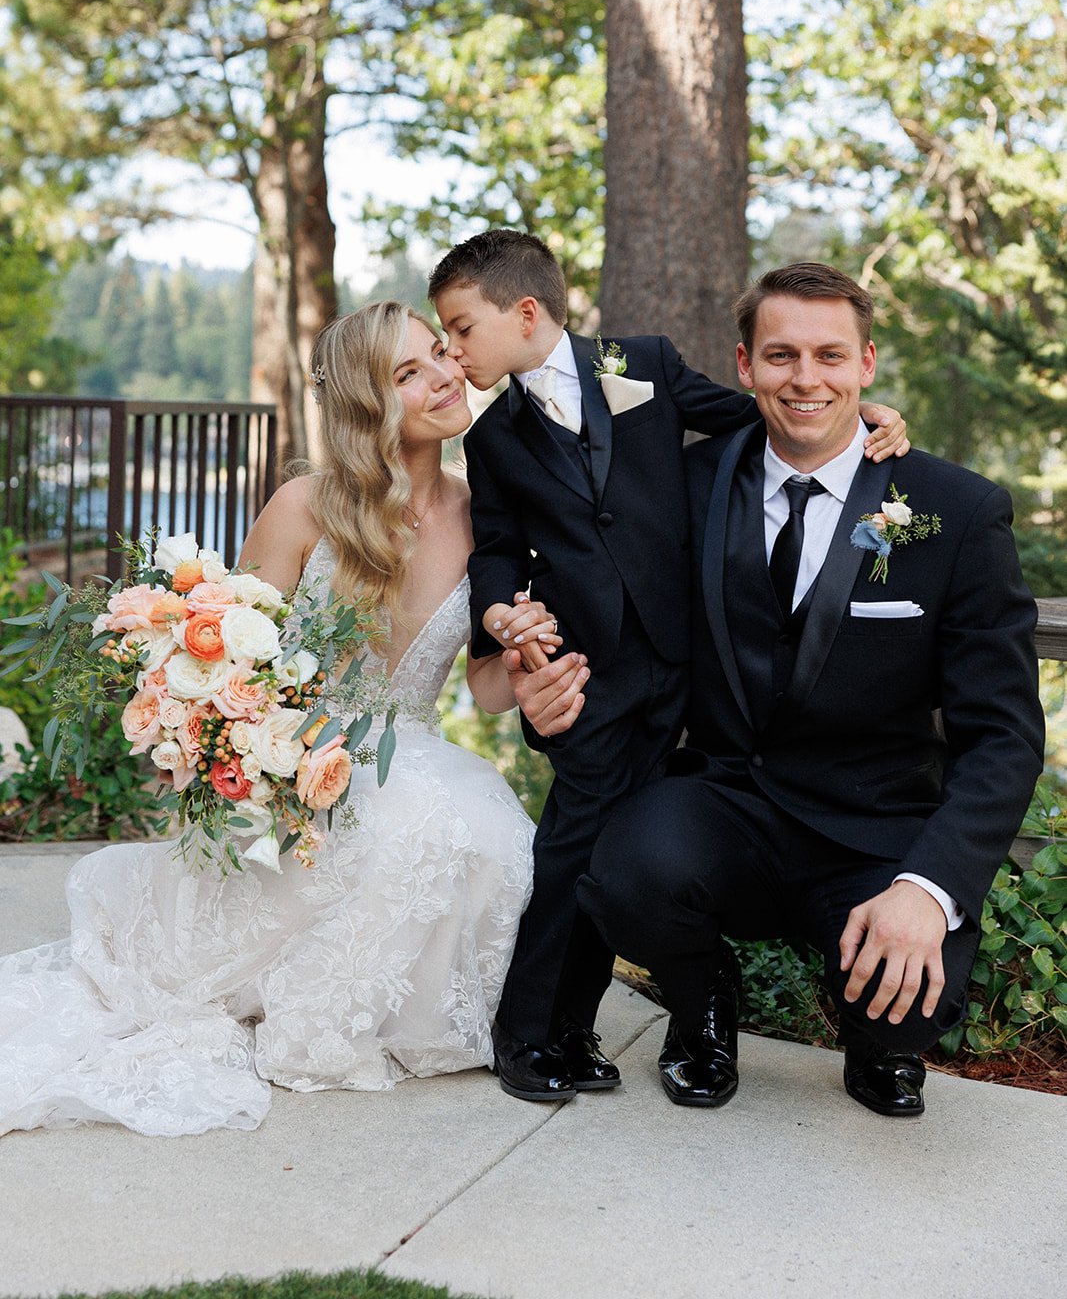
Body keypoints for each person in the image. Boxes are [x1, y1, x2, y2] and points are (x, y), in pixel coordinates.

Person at [0, 302, 535, 1137]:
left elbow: (488, 691)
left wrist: (532, 656)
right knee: (410, 822)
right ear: (367, 402)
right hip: (293, 756)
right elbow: (224, 653)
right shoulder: (306, 505)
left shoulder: (486, 513)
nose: (441, 376)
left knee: (488, 827)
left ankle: (419, 1014)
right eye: (406, 373)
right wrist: (244, 755)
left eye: (439, 353)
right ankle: (303, 1002)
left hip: (414, 746)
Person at [555, 261, 1045, 1118]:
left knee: (913, 1008)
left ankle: (874, 1038)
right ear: (744, 367)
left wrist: (926, 890)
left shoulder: (954, 511)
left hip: (875, 824)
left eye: (829, 355)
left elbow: (1002, 732)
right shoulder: (685, 486)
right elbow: (571, 499)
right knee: (622, 869)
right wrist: (528, 660)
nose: (805, 378)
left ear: (866, 363)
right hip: (726, 802)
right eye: (780, 356)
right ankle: (703, 1005)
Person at [429, 230, 909, 1103]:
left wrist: (861, 418)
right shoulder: (494, 436)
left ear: (524, 311)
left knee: (618, 855)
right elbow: (496, 549)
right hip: (594, 673)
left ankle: (575, 1031)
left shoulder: (638, 361)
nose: (452, 351)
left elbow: (750, 416)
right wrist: (500, 611)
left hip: (692, 666)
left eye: (461, 329)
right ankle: (530, 1033)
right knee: (570, 850)